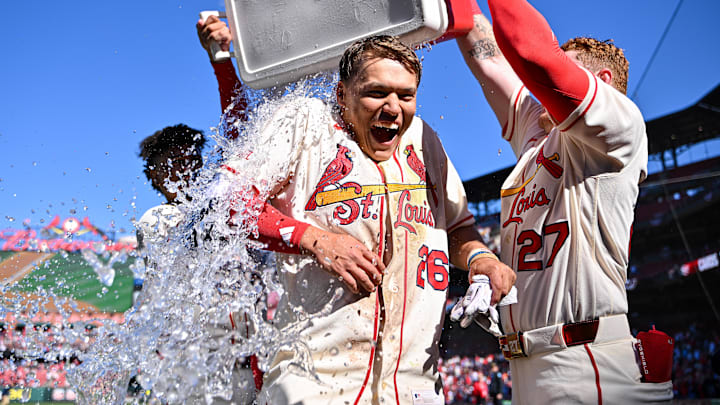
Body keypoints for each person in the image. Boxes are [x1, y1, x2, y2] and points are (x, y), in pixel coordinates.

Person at [206, 21, 516, 403]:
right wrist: (314, 239)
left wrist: (481, 258)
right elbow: (228, 203)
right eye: (376, 93)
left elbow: (456, 227)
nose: (392, 109)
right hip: (314, 381)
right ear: (343, 94)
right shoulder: (306, 123)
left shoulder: (424, 140)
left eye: (406, 95)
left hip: (415, 386)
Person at [456, 0, 673, 403]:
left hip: (586, 361)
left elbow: (530, 52)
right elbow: (485, 51)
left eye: (566, 69)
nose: (536, 94)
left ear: (602, 81)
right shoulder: (540, 135)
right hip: (527, 363)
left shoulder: (619, 124)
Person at [135, 124, 258, 404]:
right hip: (191, 365)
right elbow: (195, 233)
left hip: (239, 358)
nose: (185, 170)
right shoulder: (155, 219)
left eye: (192, 160)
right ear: (154, 174)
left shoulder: (214, 207)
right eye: (175, 162)